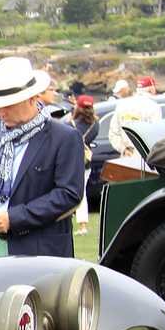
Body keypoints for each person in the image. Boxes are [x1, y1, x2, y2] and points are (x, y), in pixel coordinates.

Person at [0, 57, 85, 256]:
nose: (0, 113)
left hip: (39, 251)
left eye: (8, 106)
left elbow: (68, 194)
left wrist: (14, 218)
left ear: (31, 99)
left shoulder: (65, 137)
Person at [69, 95, 100, 236]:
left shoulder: (71, 124)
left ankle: (80, 225)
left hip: (73, 160)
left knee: (74, 193)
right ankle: (83, 225)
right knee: (83, 193)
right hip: (87, 162)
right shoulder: (96, 125)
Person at [108, 76, 159, 156]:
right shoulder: (153, 106)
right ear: (151, 90)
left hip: (127, 156)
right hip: (145, 158)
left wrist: (124, 149)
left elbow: (113, 133)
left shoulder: (122, 104)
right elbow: (155, 134)